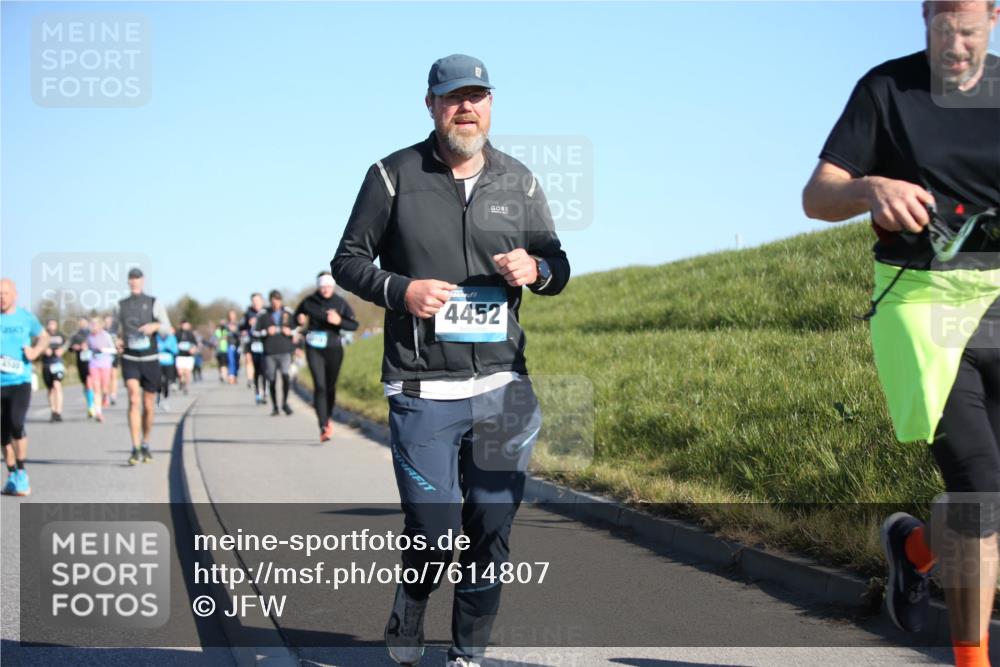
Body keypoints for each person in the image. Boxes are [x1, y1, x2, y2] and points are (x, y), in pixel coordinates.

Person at [330, 54, 570, 667]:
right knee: (435, 534)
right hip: (421, 389)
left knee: (491, 530)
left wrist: (537, 270)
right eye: (453, 97)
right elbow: (348, 261)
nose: (466, 107)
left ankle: (467, 653)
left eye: (477, 97)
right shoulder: (391, 176)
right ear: (432, 105)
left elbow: (557, 263)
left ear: (490, 105)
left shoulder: (518, 181)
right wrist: (400, 291)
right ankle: (410, 611)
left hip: (502, 388)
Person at [802, 3, 1000, 665]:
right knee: (981, 491)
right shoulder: (886, 89)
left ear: (994, 18)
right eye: (943, 30)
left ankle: (914, 550)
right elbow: (817, 194)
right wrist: (871, 187)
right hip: (921, 305)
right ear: (924, 17)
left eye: (969, 31)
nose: (956, 45)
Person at [116, 268, 171, 465]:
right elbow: (116, 330)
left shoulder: (153, 302)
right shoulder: (121, 305)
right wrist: (117, 340)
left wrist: (154, 326)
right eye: (131, 279)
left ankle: (146, 442)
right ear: (128, 282)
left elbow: (167, 328)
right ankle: (135, 446)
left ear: (143, 281)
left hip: (150, 358)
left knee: (148, 405)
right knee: (133, 398)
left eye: (137, 278)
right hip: (130, 358)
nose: (134, 282)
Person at [295, 272, 358, 441]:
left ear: (333, 286)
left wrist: (339, 322)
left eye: (328, 286)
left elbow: (353, 325)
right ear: (318, 286)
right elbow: (295, 318)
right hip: (313, 347)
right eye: (322, 286)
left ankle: (327, 417)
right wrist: (298, 319)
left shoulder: (340, 302)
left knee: (330, 387)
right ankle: (323, 425)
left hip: (334, 348)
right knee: (320, 386)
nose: (325, 290)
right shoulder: (309, 301)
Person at [0, 278, 49, 496]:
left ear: (15, 295)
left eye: (5, 293)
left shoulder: (26, 318)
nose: (2, 297)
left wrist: (35, 351)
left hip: (20, 381)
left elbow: (44, 337)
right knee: (2, 434)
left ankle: (21, 471)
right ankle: (11, 474)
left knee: (17, 423)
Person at [253, 290, 296, 416]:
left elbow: (297, 328)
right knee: (271, 379)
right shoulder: (263, 314)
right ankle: (275, 407)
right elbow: (254, 332)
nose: (275, 303)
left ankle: (285, 403)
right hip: (269, 352)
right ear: (270, 301)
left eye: (277, 300)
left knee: (285, 376)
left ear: (281, 300)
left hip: (285, 351)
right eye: (273, 301)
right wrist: (266, 332)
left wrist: (290, 332)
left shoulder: (288, 312)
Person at [86, 317, 116, 423]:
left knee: (104, 388)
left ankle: (106, 395)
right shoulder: (89, 337)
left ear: (100, 325)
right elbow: (88, 349)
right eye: (91, 324)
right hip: (93, 364)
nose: (92, 326)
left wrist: (103, 349)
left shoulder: (106, 336)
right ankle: (98, 412)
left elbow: (113, 349)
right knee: (96, 388)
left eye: (94, 324)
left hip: (105, 364)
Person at [241, 293, 268, 404]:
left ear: (262, 301)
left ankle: (265, 391)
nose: (256, 303)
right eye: (254, 301)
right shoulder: (248, 313)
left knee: (265, 369)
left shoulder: (266, 312)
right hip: (252, 343)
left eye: (258, 300)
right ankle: (257, 393)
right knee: (257, 370)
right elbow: (241, 327)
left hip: (265, 343)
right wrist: (247, 325)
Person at [68, 316, 95, 418]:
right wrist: (75, 347)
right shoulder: (75, 335)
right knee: (85, 385)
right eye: (80, 322)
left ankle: (91, 406)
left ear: (87, 322)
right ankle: (90, 402)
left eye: (83, 322)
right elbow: (70, 348)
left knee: (90, 383)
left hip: (92, 362)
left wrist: (88, 347)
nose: (81, 323)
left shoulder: (92, 333)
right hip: (81, 362)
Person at [41, 318, 67, 422]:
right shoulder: (42, 336)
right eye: (50, 324)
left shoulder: (60, 336)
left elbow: (67, 346)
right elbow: (34, 347)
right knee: (50, 389)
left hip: (57, 364)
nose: (52, 326)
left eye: (54, 324)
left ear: (56, 325)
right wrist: (43, 350)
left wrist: (62, 350)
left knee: (57, 385)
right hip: (46, 365)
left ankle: (58, 412)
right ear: (47, 325)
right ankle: (53, 411)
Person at [156, 327, 179, 411]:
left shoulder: (172, 338)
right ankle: (159, 397)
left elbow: (176, 351)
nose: (163, 335)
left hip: (169, 363)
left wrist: (168, 348)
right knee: (160, 381)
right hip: (158, 363)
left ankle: (165, 398)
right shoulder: (156, 338)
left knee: (166, 382)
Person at [175, 320, 198, 394]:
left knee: (187, 373)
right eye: (184, 325)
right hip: (180, 356)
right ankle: (181, 381)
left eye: (187, 325)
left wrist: (193, 349)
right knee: (180, 372)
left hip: (189, 356)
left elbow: (195, 344)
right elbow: (174, 343)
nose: (186, 326)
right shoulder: (177, 334)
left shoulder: (191, 334)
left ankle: (186, 386)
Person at [103, 313, 120, 405]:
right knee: (107, 377)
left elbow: (120, 342)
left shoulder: (116, 331)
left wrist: (119, 345)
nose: (107, 323)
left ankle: (113, 395)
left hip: (114, 355)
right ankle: (107, 394)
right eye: (106, 322)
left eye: (109, 321)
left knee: (114, 375)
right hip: (105, 356)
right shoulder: (102, 332)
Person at [214, 319, 230, 383]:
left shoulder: (226, 330)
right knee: (220, 364)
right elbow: (218, 338)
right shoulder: (217, 331)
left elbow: (227, 337)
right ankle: (221, 375)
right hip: (219, 350)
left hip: (226, 350)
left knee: (225, 364)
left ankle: (224, 376)